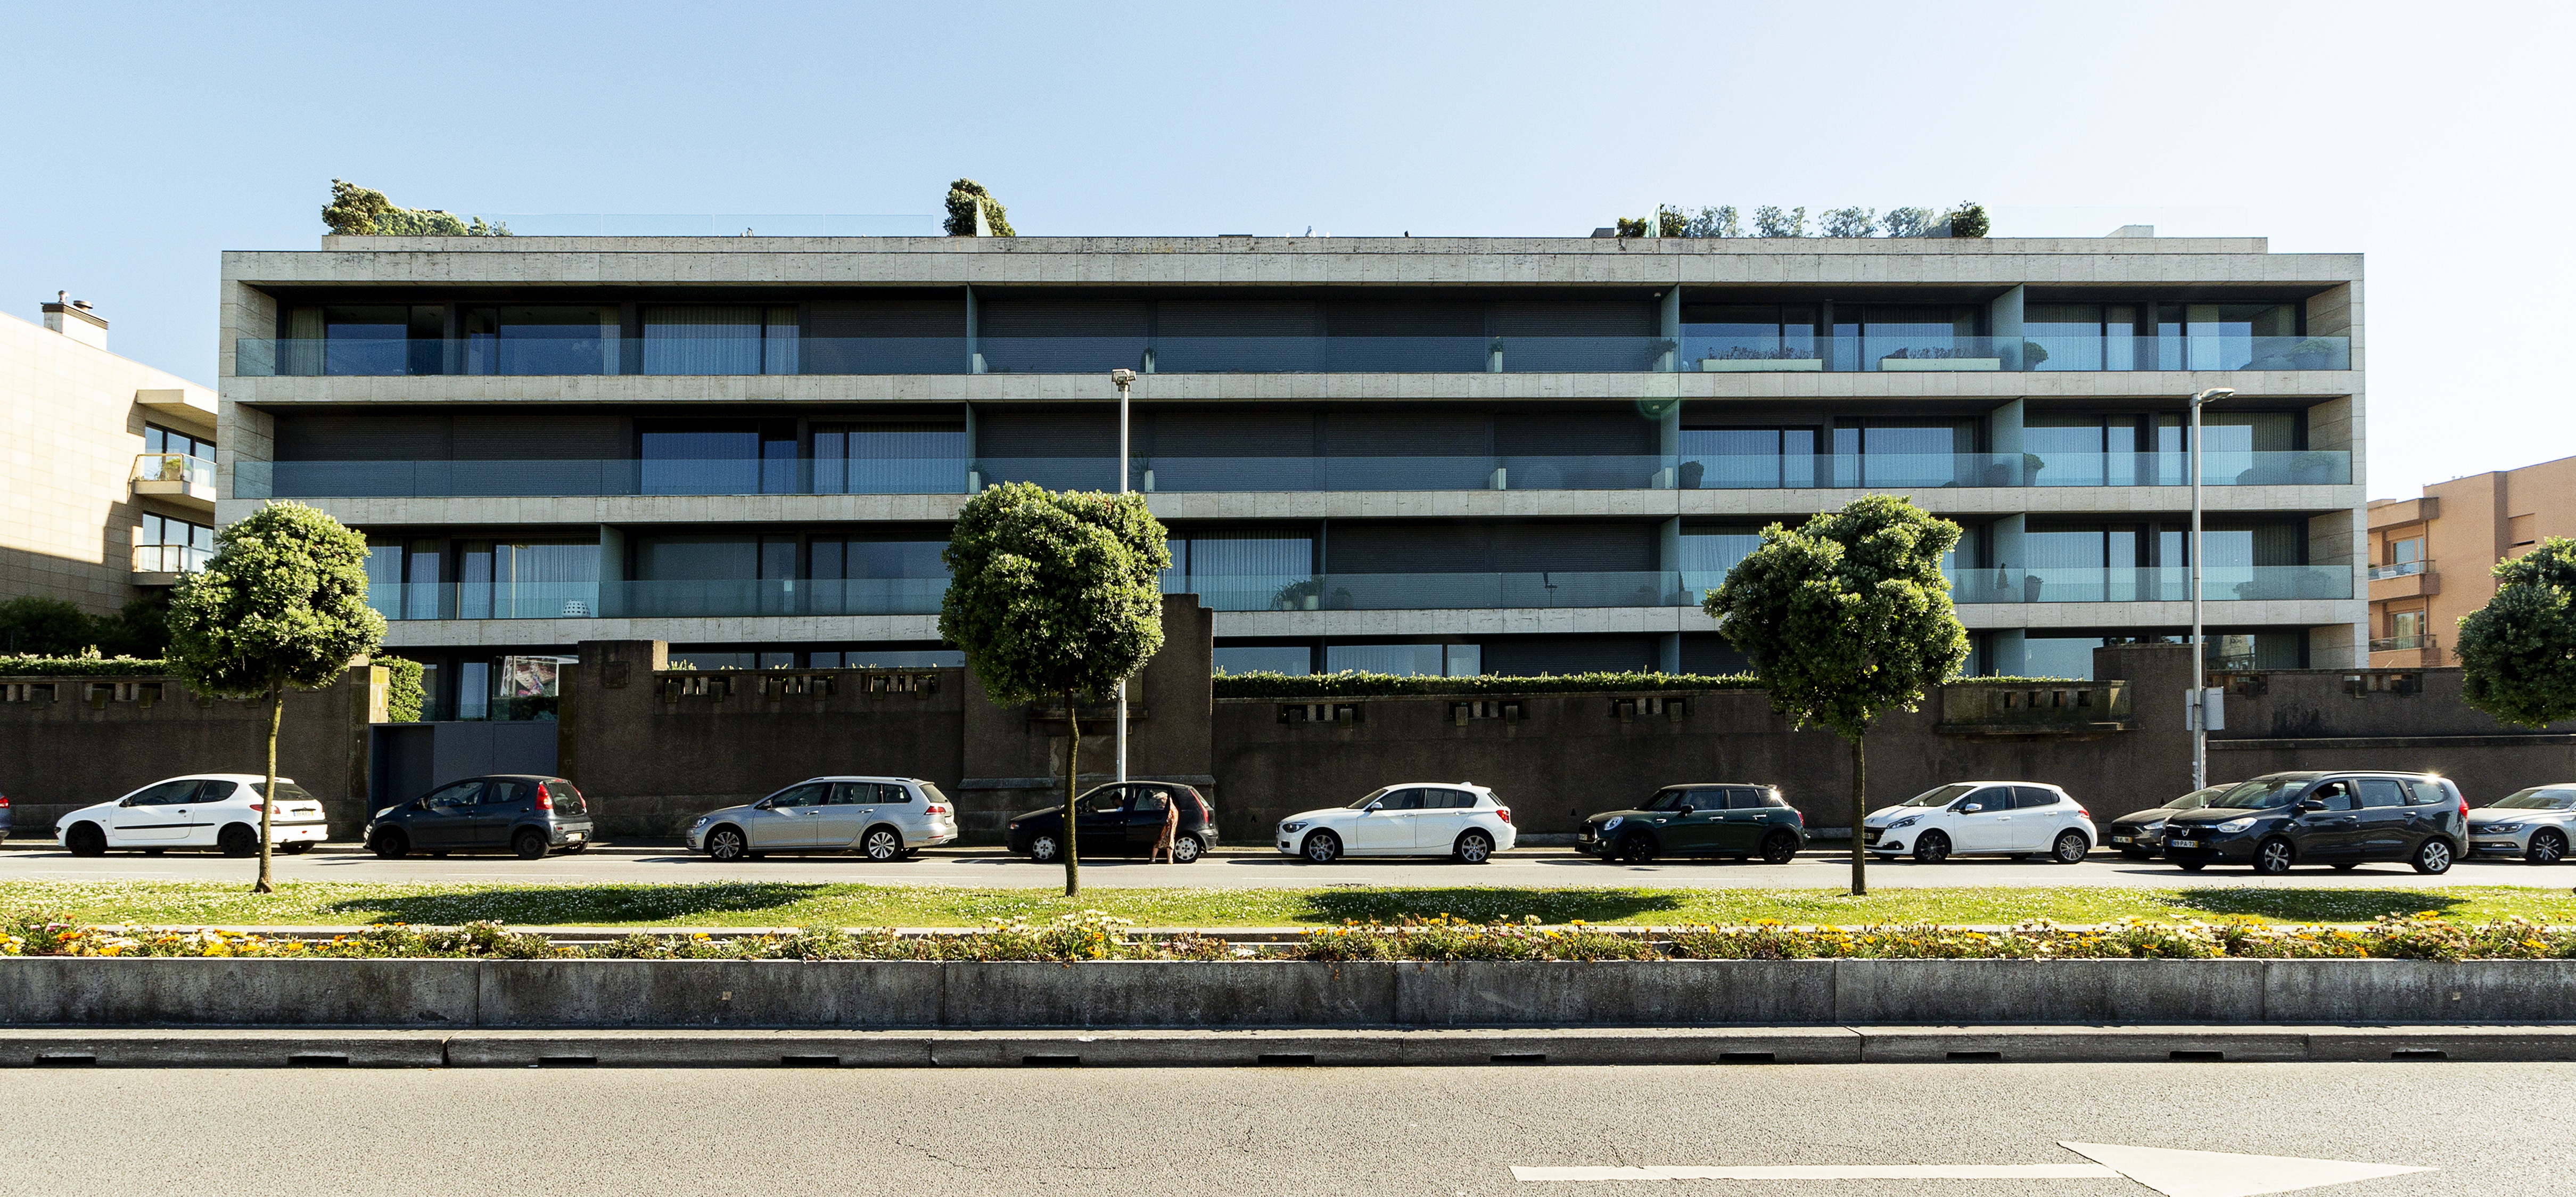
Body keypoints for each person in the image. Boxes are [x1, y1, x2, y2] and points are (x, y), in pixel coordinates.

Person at [1148, 787, 1180, 864]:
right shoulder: (1165, 796)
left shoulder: (1156, 800)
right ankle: (1170, 859)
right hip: (1173, 816)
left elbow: (1156, 810)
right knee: (1171, 837)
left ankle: (1153, 858)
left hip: (1165, 818)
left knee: (1159, 838)